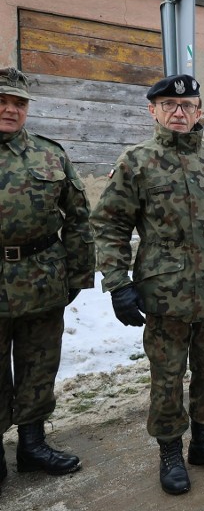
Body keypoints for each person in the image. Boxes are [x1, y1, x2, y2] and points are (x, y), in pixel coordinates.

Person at [91, 74, 204, 495]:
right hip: (164, 294)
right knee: (167, 378)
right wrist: (117, 283)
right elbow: (109, 223)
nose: (178, 112)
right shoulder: (137, 161)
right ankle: (170, 451)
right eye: (169, 104)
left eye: (187, 105)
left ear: (199, 111)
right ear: (153, 110)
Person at [0, 67, 95, 486]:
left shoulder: (49, 154)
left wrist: (78, 274)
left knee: (40, 365)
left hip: (42, 278)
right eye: (2, 101)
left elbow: (77, 217)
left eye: (18, 103)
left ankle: (33, 445)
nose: (9, 109)